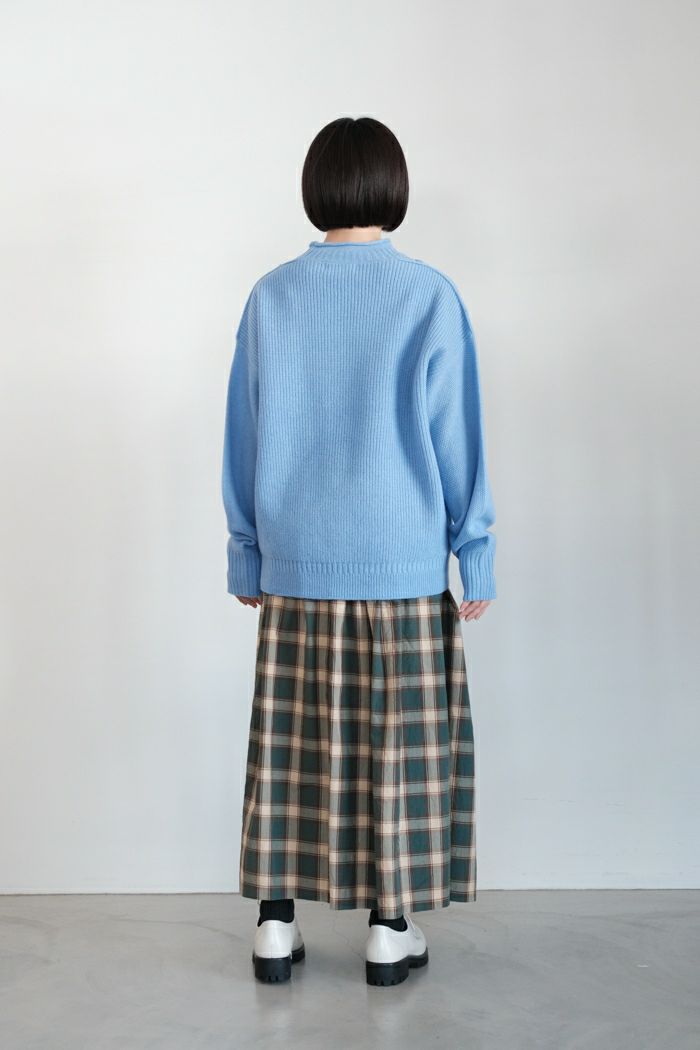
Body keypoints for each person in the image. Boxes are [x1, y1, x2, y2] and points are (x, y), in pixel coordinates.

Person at [221, 116, 497, 987]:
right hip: (400, 562)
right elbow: (457, 434)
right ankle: (389, 926)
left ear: (317, 187)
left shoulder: (272, 296)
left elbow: (243, 431)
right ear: (392, 188)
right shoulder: (428, 295)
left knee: (291, 748)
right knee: (398, 752)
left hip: (297, 561)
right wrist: (474, 550)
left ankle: (274, 925)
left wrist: (246, 550)